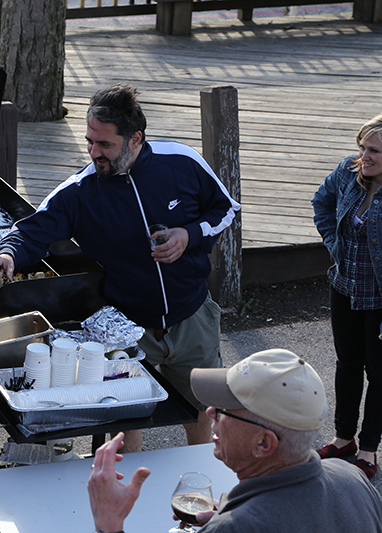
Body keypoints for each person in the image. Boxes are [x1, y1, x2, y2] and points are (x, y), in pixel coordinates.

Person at [0, 83, 240, 449]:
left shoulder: (180, 161)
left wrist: (189, 234)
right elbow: (31, 231)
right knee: (123, 416)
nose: (93, 153)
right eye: (89, 141)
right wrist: (7, 253)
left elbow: (225, 208)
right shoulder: (79, 190)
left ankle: (202, 492)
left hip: (192, 319)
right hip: (125, 326)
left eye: (105, 145)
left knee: (204, 411)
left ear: (135, 139)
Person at [88, 349, 382, 533]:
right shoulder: (354, 480)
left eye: (227, 409)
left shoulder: (238, 527)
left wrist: (108, 523)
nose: (212, 411)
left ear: (264, 444)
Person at [311, 113, 382, 479]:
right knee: (348, 364)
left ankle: (368, 447)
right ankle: (343, 438)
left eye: (374, 151)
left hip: (380, 298)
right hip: (344, 286)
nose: (364, 157)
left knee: (379, 371)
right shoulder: (348, 171)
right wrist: (333, 243)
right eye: (362, 147)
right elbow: (320, 202)